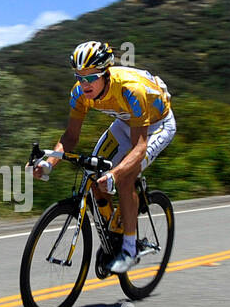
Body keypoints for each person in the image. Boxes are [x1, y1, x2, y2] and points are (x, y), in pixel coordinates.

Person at [33, 40, 177, 273]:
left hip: (157, 126)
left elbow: (139, 147)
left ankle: (129, 249)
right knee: (93, 175)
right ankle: (115, 230)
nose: (84, 83)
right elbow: (70, 137)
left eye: (91, 78)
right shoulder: (79, 93)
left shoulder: (131, 90)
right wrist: (49, 164)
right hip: (125, 121)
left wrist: (116, 173)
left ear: (105, 73)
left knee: (124, 178)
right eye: (79, 77)